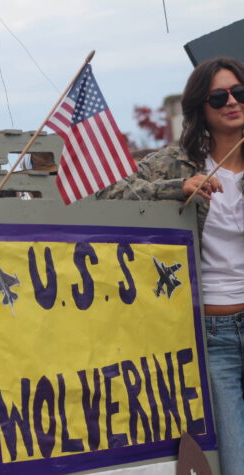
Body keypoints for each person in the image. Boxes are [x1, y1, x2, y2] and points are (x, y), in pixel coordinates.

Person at [98, 57, 244, 474]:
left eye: (240, 92)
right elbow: (105, 191)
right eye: (220, 96)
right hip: (213, 334)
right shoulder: (175, 161)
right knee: (235, 461)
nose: (232, 101)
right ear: (201, 105)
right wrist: (176, 187)